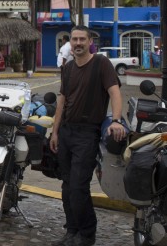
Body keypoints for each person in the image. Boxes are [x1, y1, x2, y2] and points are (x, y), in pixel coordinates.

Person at [49, 25, 124, 246]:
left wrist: (117, 120)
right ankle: (71, 231)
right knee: (66, 185)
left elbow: (114, 93)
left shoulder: (101, 63)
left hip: (87, 132)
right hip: (66, 132)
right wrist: (55, 131)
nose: (78, 43)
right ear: (70, 42)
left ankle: (86, 234)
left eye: (82, 39)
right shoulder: (68, 68)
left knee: (78, 186)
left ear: (90, 41)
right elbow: (62, 100)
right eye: (74, 39)